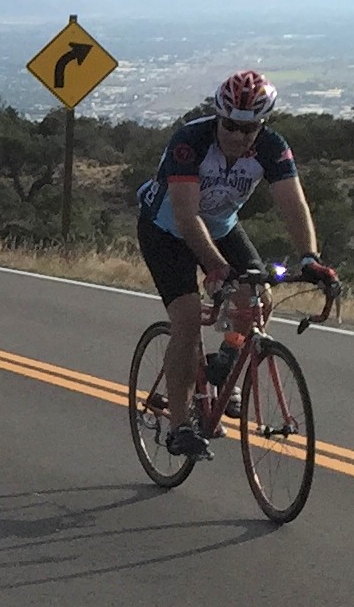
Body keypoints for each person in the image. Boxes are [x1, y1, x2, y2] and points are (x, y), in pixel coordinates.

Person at [136, 70, 334, 458]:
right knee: (188, 318)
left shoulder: (271, 147)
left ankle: (224, 365)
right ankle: (179, 426)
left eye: (250, 128)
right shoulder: (189, 142)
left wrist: (310, 256)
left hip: (222, 226)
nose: (239, 136)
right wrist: (215, 266)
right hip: (167, 230)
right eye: (231, 125)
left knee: (257, 296)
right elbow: (187, 216)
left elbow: (294, 205)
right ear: (218, 117)